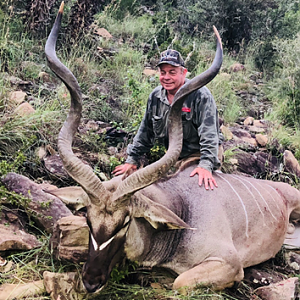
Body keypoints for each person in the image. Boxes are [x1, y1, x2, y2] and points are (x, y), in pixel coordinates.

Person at [113, 49, 223, 190]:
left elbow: (209, 134)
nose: (166, 77)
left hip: (200, 154)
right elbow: (145, 131)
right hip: (173, 156)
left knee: (194, 189)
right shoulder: (156, 96)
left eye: (172, 72)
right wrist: (132, 160)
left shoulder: (200, 95)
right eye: (163, 72)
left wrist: (206, 165)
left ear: (183, 73)